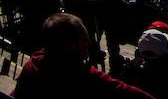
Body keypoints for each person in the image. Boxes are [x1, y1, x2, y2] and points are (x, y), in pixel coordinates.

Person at [12, 13, 154, 98]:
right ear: (70, 45)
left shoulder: (31, 65)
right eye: (84, 39)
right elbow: (125, 92)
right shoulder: (83, 76)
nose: (88, 43)